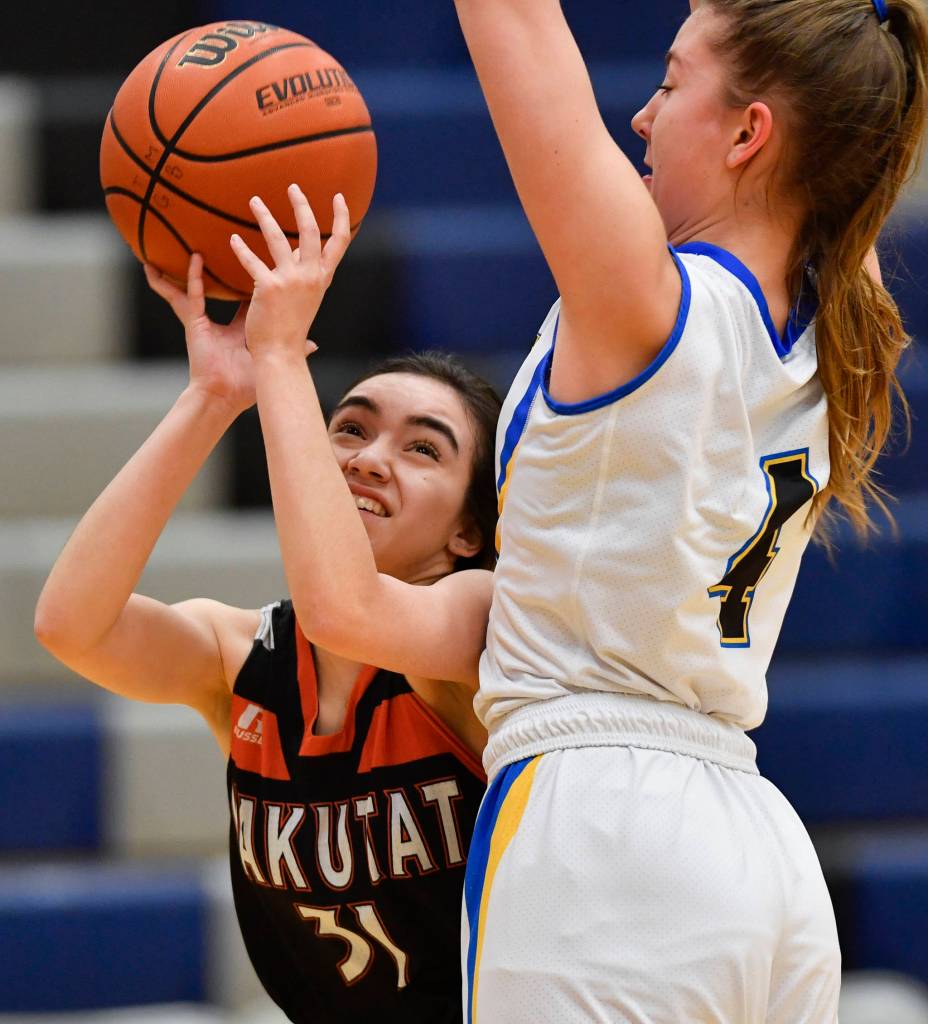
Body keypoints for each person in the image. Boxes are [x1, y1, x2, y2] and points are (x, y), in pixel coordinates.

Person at [226, 0, 928, 1016]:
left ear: (748, 132)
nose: (640, 117)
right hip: (762, 859)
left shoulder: (645, 302)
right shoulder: (845, 337)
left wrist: (278, 356)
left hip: (603, 847)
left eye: (670, 81)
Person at [33, 243, 502, 1022]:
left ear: (465, 533)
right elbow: (70, 625)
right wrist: (214, 397)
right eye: (349, 430)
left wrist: (282, 353)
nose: (370, 460)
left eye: (423, 449)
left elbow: (346, 608)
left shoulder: (475, 630)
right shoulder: (243, 658)